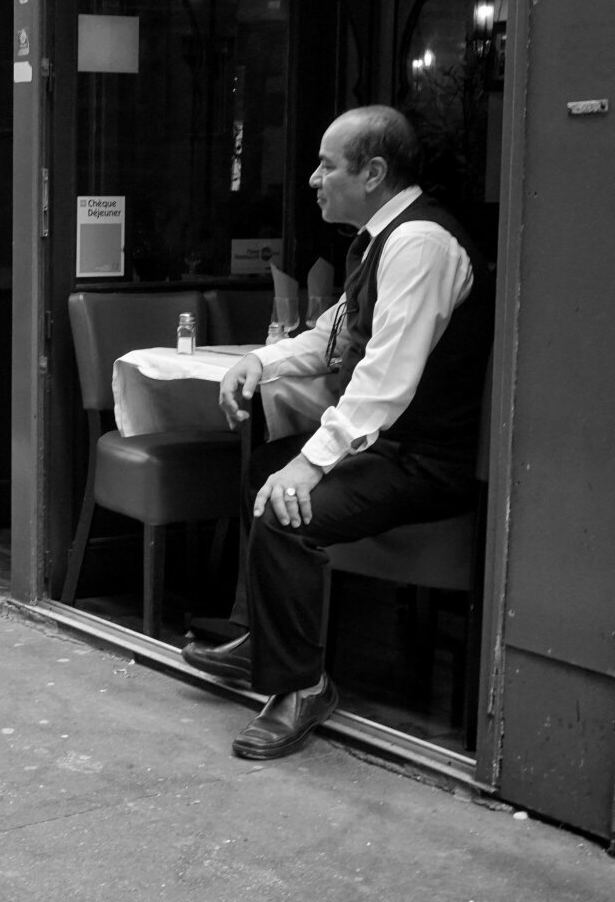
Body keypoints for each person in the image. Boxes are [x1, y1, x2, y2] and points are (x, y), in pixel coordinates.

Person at [181, 104, 492, 760]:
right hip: (390, 447)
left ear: (373, 171)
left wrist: (314, 461)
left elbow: (386, 377)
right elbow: (337, 331)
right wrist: (260, 360)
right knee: (265, 466)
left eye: (327, 164)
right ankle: (262, 640)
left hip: (426, 458)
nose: (313, 178)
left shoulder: (421, 244)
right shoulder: (381, 239)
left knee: (289, 507)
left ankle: (301, 687)